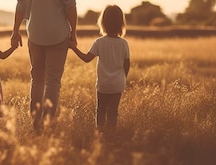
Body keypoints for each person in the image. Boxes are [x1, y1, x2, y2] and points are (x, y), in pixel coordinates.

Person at [11, 0, 78, 133]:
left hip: (35, 34)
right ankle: (47, 124)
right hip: (58, 34)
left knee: (37, 80)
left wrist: (15, 31)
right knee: (53, 81)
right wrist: (74, 33)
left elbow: (21, 6)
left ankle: (36, 124)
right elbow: (71, 7)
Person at [69, 5, 130, 133]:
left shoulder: (99, 42)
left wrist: (73, 48)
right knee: (113, 112)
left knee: (101, 110)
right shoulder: (124, 43)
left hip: (103, 84)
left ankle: (100, 134)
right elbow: (127, 64)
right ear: (121, 23)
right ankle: (112, 134)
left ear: (102, 22)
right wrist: (122, 78)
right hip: (118, 84)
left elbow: (86, 58)